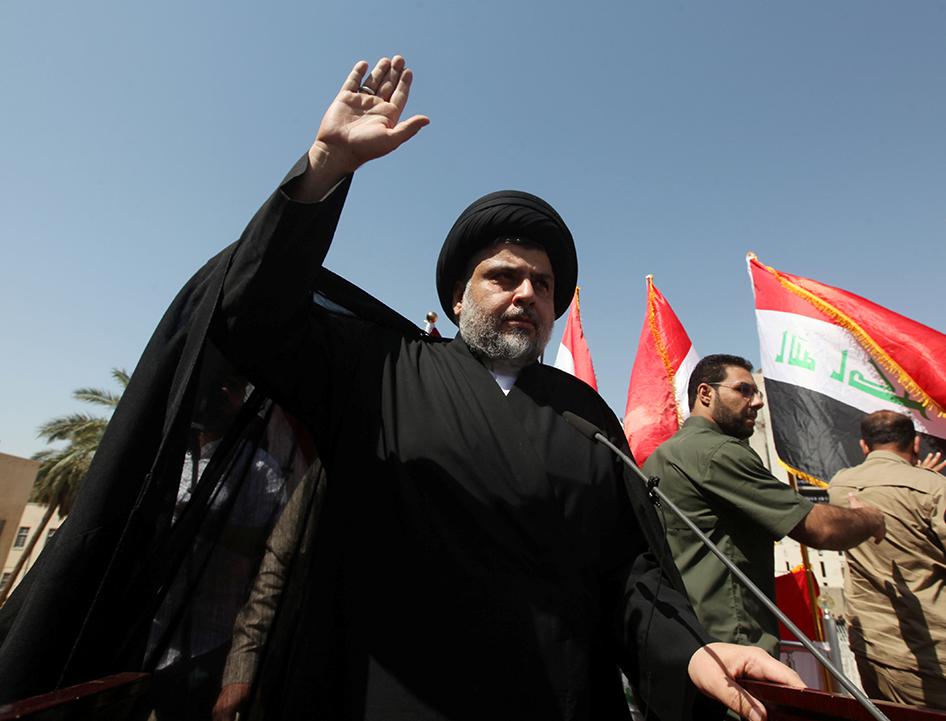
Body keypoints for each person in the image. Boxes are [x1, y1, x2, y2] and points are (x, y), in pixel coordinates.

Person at [203, 57, 804, 721]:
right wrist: (328, 164)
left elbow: (629, 575)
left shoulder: (585, 415)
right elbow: (249, 316)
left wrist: (693, 652)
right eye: (504, 277)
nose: (527, 294)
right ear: (458, 297)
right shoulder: (378, 371)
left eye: (543, 284)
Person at [643, 354, 886, 657]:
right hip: (737, 648)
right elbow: (821, 529)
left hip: (686, 642)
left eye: (756, 392)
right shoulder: (719, 452)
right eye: (744, 390)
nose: (757, 402)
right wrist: (870, 517)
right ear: (705, 393)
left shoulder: (662, 456)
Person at [828, 410, 946, 710]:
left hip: (873, 645)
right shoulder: (933, 488)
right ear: (916, 444)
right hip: (931, 649)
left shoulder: (841, 485)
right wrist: (924, 479)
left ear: (864, 445)